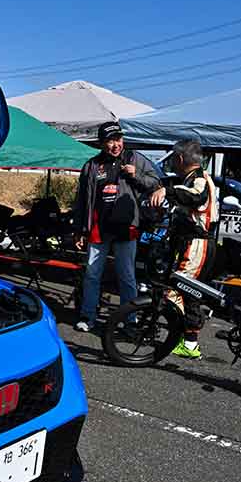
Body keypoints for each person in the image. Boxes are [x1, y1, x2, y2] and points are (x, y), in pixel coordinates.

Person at [70, 121, 160, 333]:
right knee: (92, 274)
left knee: (126, 276)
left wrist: (135, 174)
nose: (115, 145)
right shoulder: (91, 165)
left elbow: (155, 182)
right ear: (102, 143)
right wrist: (79, 229)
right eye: (110, 141)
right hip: (98, 229)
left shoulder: (134, 158)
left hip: (126, 228)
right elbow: (81, 200)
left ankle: (130, 321)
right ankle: (87, 316)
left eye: (118, 139)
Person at [149, 139, 219, 358]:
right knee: (189, 292)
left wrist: (167, 192)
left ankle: (183, 338)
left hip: (198, 243)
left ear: (180, 158)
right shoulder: (191, 178)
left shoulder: (199, 179)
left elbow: (196, 197)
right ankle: (188, 342)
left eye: (173, 158)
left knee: (177, 289)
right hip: (191, 242)